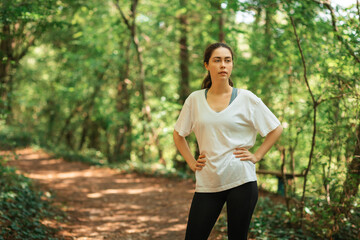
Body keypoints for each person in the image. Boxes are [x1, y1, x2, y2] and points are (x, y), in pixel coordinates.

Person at [173, 42, 283, 240]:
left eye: (227, 60)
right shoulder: (195, 100)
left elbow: (276, 128)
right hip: (208, 181)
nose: (223, 65)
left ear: (232, 65)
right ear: (206, 65)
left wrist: (257, 155)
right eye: (217, 60)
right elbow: (178, 134)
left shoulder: (247, 98)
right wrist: (191, 162)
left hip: (241, 179)